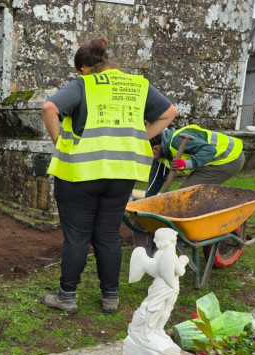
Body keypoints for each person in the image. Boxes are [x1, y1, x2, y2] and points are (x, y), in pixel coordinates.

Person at [40, 36, 177, 315]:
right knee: (109, 235)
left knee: (78, 236)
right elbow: (169, 113)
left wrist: (59, 141)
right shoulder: (138, 85)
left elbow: (49, 108)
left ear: (85, 69)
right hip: (121, 173)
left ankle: (67, 296)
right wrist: (139, 138)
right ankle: (110, 297)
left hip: (81, 173)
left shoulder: (84, 84)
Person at [145, 125, 245, 197]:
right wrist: (146, 202)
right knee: (187, 193)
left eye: (146, 154)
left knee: (185, 194)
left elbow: (210, 150)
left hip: (229, 158)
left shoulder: (177, 141)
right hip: (211, 161)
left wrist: (187, 164)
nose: (147, 158)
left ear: (155, 148)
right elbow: (156, 179)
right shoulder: (161, 154)